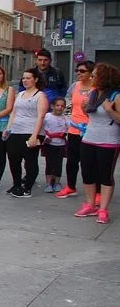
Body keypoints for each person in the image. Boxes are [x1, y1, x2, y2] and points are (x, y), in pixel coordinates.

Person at [74, 63, 120, 224]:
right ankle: (90, 204)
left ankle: (103, 210)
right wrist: (84, 108)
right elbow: (92, 116)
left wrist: (110, 110)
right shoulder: (93, 93)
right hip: (89, 138)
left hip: (108, 140)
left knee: (105, 176)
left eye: (94, 75)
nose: (91, 78)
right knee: (87, 172)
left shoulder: (115, 96)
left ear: (104, 78)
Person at [3, 69, 49, 198]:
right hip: (16, 131)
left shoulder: (40, 96)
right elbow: (14, 113)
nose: (25, 80)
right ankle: (16, 184)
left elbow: (41, 117)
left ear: (35, 79)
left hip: (31, 131)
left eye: (28, 78)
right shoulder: (20, 94)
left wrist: (34, 136)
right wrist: (8, 128)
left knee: (30, 160)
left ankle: (27, 187)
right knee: (13, 159)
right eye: (23, 78)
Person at [57, 61, 95, 198]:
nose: (79, 73)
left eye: (83, 71)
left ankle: (95, 192)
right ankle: (70, 187)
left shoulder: (96, 88)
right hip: (74, 129)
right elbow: (68, 104)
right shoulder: (74, 86)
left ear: (91, 73)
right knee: (72, 160)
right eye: (77, 70)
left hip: (91, 129)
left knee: (89, 162)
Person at [42, 97, 68, 193]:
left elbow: (71, 126)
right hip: (49, 144)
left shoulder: (65, 118)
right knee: (49, 164)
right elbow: (41, 127)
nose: (59, 108)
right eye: (57, 105)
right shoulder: (47, 116)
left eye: (62, 106)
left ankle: (57, 183)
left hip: (61, 145)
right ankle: (48, 183)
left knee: (58, 164)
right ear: (52, 106)